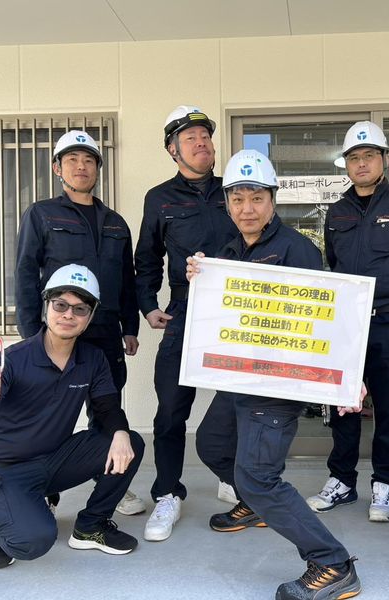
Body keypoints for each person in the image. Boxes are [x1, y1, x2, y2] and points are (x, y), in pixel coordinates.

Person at [189, 149, 362, 600]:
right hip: (239, 377)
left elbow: (324, 318)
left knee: (257, 476)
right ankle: (254, 505)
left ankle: (333, 562)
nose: (246, 208)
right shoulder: (228, 251)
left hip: (277, 383)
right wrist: (202, 280)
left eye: (256, 198)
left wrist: (345, 374)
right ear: (227, 203)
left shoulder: (296, 250)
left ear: (272, 200)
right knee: (211, 444)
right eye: (238, 199)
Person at [0, 264, 145, 569]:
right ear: (47, 306)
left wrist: (120, 434)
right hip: (6, 468)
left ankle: (91, 526)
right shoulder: (12, 360)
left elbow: (108, 409)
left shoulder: (92, 359)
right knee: (33, 541)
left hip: (54, 460)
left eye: (80, 309)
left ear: (90, 316)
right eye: (60, 305)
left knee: (130, 441)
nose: (68, 315)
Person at [307, 121, 389, 522]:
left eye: (369, 156)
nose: (361, 163)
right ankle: (342, 481)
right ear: (346, 164)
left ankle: (385, 484)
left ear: (385, 160)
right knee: (343, 406)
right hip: (348, 323)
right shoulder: (337, 212)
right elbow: (334, 260)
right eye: (354, 158)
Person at [14, 129, 144, 516]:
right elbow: (25, 274)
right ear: (58, 168)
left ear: (98, 169)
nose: (81, 166)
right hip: (60, 333)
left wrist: (130, 326)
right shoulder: (42, 214)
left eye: (89, 160)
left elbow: (126, 279)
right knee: (47, 412)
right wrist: (30, 336)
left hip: (104, 332)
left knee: (106, 408)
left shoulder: (116, 222)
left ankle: (110, 478)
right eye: (72, 159)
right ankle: (42, 487)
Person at [134, 105, 238, 542]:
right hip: (184, 310)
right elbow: (146, 258)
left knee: (239, 402)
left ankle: (233, 478)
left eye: (206, 137)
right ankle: (167, 493)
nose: (202, 144)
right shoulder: (159, 198)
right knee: (171, 410)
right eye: (191, 138)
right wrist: (147, 305)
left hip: (235, 312)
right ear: (172, 149)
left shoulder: (234, 190)